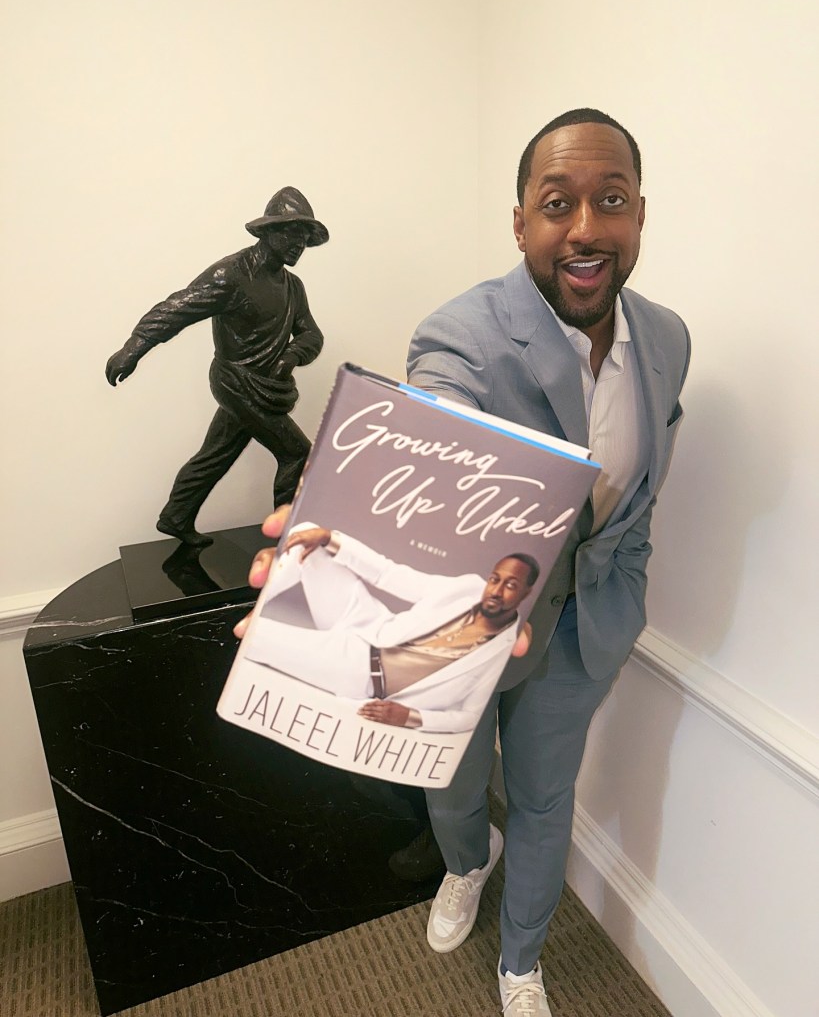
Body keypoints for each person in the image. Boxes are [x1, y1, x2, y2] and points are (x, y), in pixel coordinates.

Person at [240, 107, 690, 1016]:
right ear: (520, 220)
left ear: (640, 213)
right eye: (556, 202)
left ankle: (521, 960)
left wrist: (625, 577)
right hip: (467, 624)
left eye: (610, 200)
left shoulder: (668, 340)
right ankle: (461, 864)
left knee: (542, 792)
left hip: (582, 626)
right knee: (445, 776)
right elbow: (431, 438)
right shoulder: (463, 336)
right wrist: (341, 525)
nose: (586, 227)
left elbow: (641, 491)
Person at [105, 187, 329, 547]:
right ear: (268, 232)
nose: (297, 244)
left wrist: (291, 356)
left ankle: (175, 517)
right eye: (290, 233)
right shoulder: (232, 275)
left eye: (303, 238)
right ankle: (288, 540)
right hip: (235, 383)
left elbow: (311, 335)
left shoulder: (292, 287)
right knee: (297, 453)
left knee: (216, 454)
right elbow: (177, 308)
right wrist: (133, 348)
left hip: (267, 388)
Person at [242, 522, 538, 734]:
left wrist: (410, 716)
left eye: (511, 585)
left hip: (359, 671)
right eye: (495, 579)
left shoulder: (504, 644)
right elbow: (390, 574)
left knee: (254, 640)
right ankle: (258, 607)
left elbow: (467, 717)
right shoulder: (469, 588)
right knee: (308, 536)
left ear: (525, 594)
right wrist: (331, 538)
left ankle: (252, 625)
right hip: (368, 623)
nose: (496, 591)